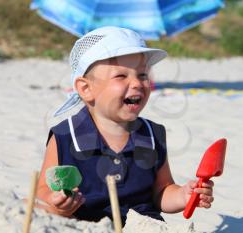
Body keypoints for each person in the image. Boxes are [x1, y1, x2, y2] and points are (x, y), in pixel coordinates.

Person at [36, 26, 214, 224]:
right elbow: (43, 191)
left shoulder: (152, 134)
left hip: (142, 226)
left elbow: (161, 191)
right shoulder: (66, 135)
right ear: (86, 88)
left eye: (142, 75)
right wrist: (55, 202)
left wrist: (182, 195)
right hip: (86, 226)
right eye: (121, 76)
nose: (137, 83)